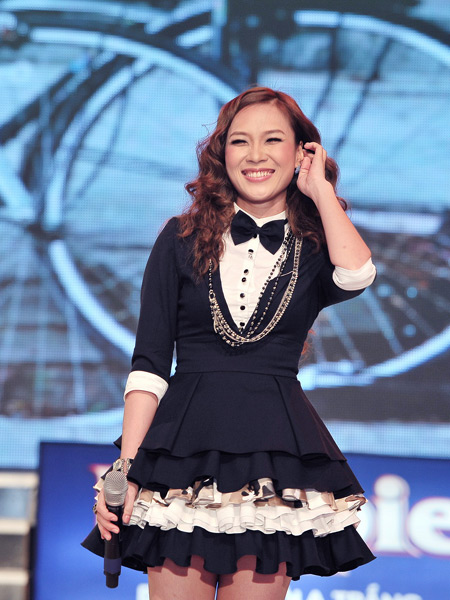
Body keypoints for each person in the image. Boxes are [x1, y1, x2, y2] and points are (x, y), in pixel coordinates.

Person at [83, 86, 376, 599]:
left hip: (274, 457)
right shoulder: (179, 238)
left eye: (273, 140)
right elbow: (149, 366)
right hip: (182, 452)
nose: (256, 155)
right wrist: (125, 470)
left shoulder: (314, 246)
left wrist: (321, 190)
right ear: (223, 154)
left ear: (301, 151)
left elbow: (357, 273)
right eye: (241, 141)